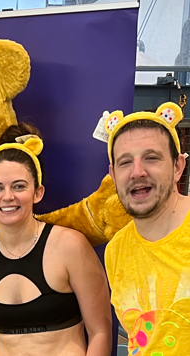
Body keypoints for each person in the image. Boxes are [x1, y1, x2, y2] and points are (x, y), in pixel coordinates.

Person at [0, 123, 112, 356]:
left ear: (37, 192)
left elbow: (100, 331)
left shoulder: (70, 246)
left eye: (19, 186)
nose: (8, 196)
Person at [105, 102, 190, 355]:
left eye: (151, 158)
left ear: (177, 168)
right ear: (112, 175)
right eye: (125, 162)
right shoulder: (115, 251)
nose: (137, 172)